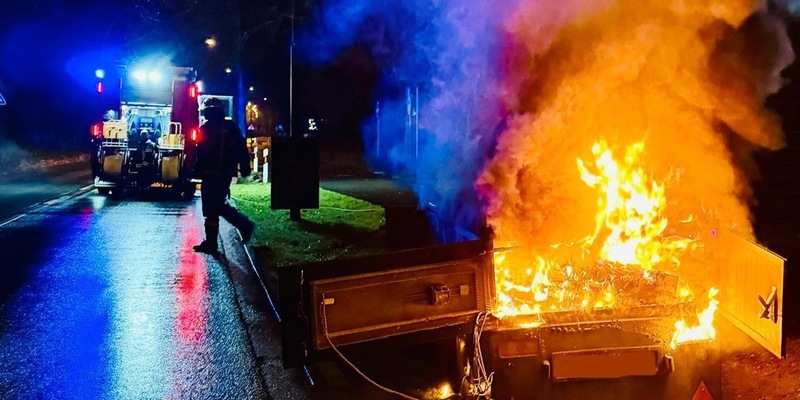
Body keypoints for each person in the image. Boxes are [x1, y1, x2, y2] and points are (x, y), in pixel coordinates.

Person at [193, 97, 255, 254]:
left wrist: (245, 166)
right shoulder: (213, 128)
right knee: (210, 209)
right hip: (214, 174)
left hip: (219, 174)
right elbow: (200, 152)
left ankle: (243, 224)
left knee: (215, 206)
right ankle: (211, 244)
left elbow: (240, 148)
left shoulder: (225, 128)